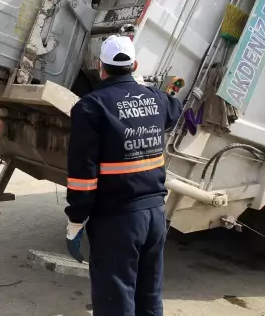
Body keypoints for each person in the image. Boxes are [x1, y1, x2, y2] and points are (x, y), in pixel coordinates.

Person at [65, 35, 182, 316]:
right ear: (135, 65)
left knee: (114, 303)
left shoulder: (91, 107)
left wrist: (76, 219)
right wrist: (145, 88)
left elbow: (83, 175)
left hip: (117, 222)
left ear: (99, 66)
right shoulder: (155, 99)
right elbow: (175, 109)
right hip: (155, 217)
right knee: (149, 298)